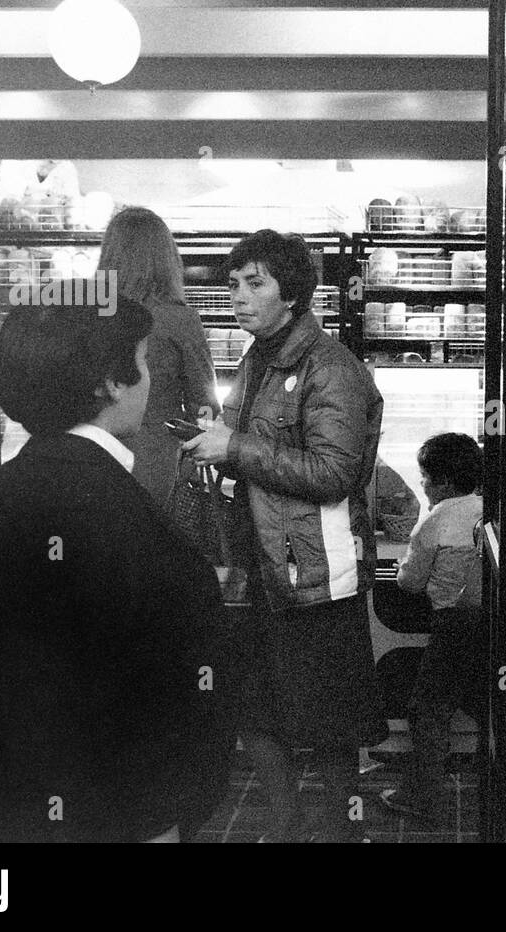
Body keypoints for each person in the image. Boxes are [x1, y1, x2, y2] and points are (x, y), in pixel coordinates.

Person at [0, 291, 237, 842]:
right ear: (110, 383)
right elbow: (187, 704)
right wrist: (168, 816)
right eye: (143, 362)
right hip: (116, 817)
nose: (148, 379)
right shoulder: (142, 527)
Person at [182, 229, 388, 843]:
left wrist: (234, 447)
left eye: (255, 283)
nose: (238, 297)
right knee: (256, 710)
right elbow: (264, 459)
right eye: (234, 283)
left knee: (328, 725)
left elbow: (333, 474)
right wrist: (216, 442)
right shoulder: (258, 358)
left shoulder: (330, 368)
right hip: (259, 568)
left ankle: (333, 831)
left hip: (315, 576)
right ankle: (288, 828)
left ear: (292, 294)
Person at [380, 432, 484, 824]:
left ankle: (424, 796)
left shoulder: (436, 521)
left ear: (440, 481)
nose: (420, 483)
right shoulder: (488, 510)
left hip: (452, 626)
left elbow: (409, 582)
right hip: (490, 623)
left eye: (424, 477)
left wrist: (401, 569)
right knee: (485, 702)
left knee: (427, 711)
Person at [97, 206, 218, 507]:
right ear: (166, 260)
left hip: (94, 459)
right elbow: (204, 408)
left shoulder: (90, 315)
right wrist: (190, 461)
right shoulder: (180, 320)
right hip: (156, 464)